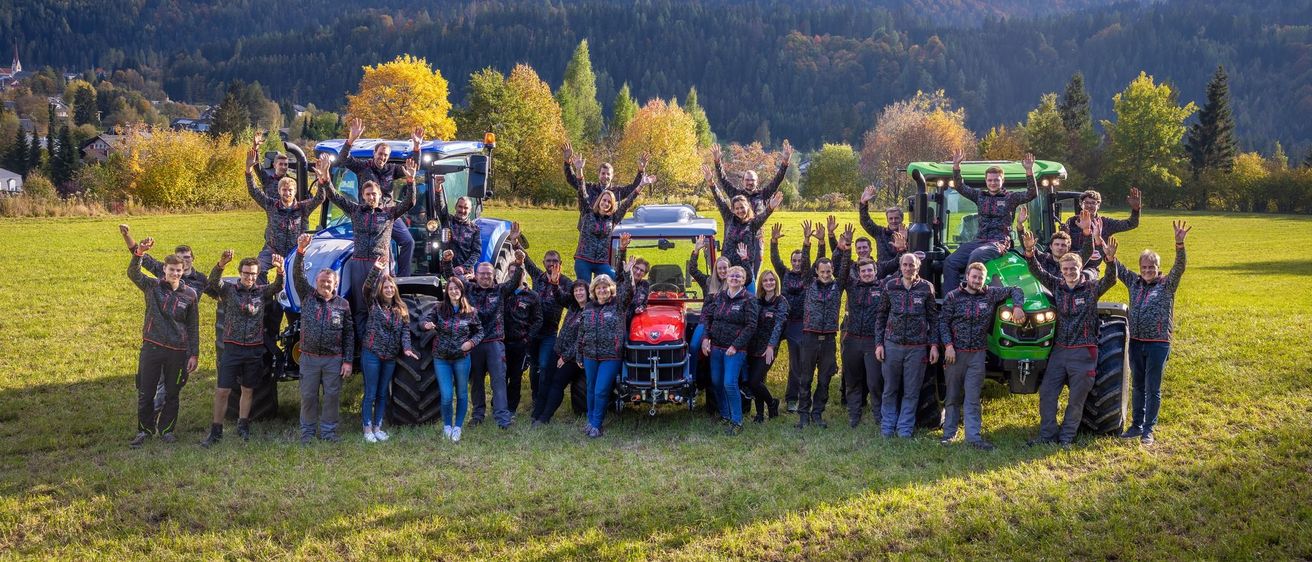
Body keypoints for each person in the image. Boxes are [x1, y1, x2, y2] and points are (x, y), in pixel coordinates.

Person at [1021, 221, 1119, 447]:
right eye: (1065, 269)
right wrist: (1030, 252)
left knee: (1076, 400)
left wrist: (1110, 260)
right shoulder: (1058, 285)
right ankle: (1047, 436)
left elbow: (1110, 279)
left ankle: (1066, 438)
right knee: (1047, 393)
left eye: (1072, 269)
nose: (1068, 272)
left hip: (1084, 351)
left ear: (1080, 268)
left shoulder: (1092, 288)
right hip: (1060, 351)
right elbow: (1037, 271)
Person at [321, 157, 417, 343]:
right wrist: (325, 178)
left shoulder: (389, 213)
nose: (371, 197)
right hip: (359, 264)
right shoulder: (356, 211)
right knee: (360, 307)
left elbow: (409, 202)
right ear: (363, 196)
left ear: (380, 195)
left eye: (374, 194)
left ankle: (383, 341)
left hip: (380, 264)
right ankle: (364, 344)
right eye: (368, 194)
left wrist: (411, 181)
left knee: (382, 304)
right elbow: (334, 196)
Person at [119, 226, 209, 420]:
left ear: (192, 259)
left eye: (187, 258)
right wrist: (127, 236)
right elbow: (138, 256)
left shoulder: (200, 280)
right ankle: (150, 416)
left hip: (182, 336)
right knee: (157, 381)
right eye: (179, 258)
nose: (183, 261)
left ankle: (158, 414)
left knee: (176, 383)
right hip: (158, 336)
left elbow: (219, 291)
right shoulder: (163, 273)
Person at [1115, 221, 1190, 445]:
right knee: (1137, 386)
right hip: (1136, 342)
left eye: (1151, 267)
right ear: (1140, 268)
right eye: (1144, 267)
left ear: (1158, 268)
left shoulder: (1167, 284)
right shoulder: (1134, 282)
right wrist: (1101, 244)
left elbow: (1180, 267)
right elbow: (1117, 267)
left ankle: (1149, 429)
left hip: (1158, 343)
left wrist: (1179, 244)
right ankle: (1136, 425)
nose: (1147, 270)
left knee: (1152, 388)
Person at [200, 251, 284, 448]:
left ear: (257, 274)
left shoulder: (262, 292)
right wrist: (221, 264)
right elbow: (214, 282)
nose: (249, 277)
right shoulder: (229, 291)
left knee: (248, 390)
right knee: (222, 390)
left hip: (254, 350)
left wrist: (280, 269)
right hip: (232, 348)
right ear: (240, 273)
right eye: (246, 273)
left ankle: (243, 425)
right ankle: (216, 430)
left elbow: (278, 286)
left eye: (253, 274)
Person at [938, 262, 1024, 450]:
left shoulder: (990, 294)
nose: (977, 281)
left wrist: (1018, 307)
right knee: (952, 396)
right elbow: (943, 322)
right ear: (967, 276)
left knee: (972, 397)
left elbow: (1016, 289)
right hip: (955, 354)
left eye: (980, 278)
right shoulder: (953, 296)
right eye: (974, 277)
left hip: (977, 355)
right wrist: (948, 346)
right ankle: (949, 434)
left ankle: (973, 438)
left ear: (985, 280)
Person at [126, 238, 200, 448]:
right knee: (146, 392)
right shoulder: (152, 286)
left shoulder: (190, 295)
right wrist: (139, 254)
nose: (175, 273)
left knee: (172, 394)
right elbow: (133, 273)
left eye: (178, 270)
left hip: (178, 351)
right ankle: (145, 430)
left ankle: (167, 430)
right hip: (152, 347)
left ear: (183, 271)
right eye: (171, 270)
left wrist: (194, 354)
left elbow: (193, 326)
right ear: (164, 270)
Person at [453, 235, 526, 429]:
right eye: (482, 273)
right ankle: (477, 415)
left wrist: (519, 263)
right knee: (476, 381)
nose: (485, 277)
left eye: (489, 274)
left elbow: (515, 281)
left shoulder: (501, 290)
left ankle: (502, 418)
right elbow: (452, 279)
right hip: (475, 343)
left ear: (493, 275)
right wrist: (447, 262)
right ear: (476, 275)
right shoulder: (469, 290)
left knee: (498, 381)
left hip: (494, 343)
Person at [334, 118, 423, 276]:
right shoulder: (362, 167)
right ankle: (386, 275)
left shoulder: (392, 169)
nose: (382, 157)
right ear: (374, 153)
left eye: (385, 155)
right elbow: (342, 159)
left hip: (388, 214)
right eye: (380, 154)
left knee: (408, 241)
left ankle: (403, 278)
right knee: (380, 246)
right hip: (367, 213)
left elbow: (412, 168)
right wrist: (350, 140)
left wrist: (416, 148)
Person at [942, 151, 1039, 291]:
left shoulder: (1011, 198)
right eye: (990, 180)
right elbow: (960, 187)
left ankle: (966, 292)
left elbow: (1032, 193)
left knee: (977, 255)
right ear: (986, 181)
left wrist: (1029, 171)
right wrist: (956, 166)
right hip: (979, 240)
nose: (993, 183)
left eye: (996, 180)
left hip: (998, 242)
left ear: (1002, 180)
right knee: (950, 261)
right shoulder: (979, 196)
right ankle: (950, 298)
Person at [292, 234, 355, 444]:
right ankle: (307, 433)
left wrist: (347, 361)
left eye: (329, 282)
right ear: (316, 282)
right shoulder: (307, 297)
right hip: (309, 358)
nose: (325, 285)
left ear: (335, 284)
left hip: (333, 359)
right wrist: (301, 251)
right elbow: (297, 275)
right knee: (308, 396)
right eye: (321, 281)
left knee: (332, 397)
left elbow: (348, 334)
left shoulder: (343, 305)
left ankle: (328, 432)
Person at [876, 253, 940, 438]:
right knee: (890, 389)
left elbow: (933, 319)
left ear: (917, 267)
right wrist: (879, 344)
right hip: (892, 345)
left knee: (911, 391)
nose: (908, 268)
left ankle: (905, 428)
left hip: (917, 347)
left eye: (911, 265)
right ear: (900, 266)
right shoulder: (890, 286)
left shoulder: (926, 288)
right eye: (904, 265)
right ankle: (887, 427)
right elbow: (881, 316)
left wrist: (934, 345)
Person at [795, 222, 852, 429]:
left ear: (832, 270)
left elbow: (845, 268)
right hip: (810, 337)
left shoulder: (838, 285)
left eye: (828, 271)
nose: (826, 274)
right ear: (817, 272)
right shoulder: (809, 283)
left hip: (828, 338)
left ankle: (817, 412)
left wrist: (847, 247)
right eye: (822, 271)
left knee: (825, 378)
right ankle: (803, 414)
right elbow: (804, 264)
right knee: (805, 378)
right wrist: (807, 242)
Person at [359, 256, 420, 443]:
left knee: (382, 393)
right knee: (371, 393)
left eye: (391, 287)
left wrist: (407, 348)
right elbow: (366, 288)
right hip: (372, 354)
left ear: (395, 290)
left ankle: (378, 427)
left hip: (390, 357)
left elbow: (405, 332)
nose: (389, 289)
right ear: (381, 289)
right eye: (386, 287)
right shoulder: (374, 304)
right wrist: (376, 269)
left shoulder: (401, 308)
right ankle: (367, 428)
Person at [521, 248, 581, 419]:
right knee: (534, 366)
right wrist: (516, 243)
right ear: (543, 263)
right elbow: (526, 261)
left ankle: (544, 396)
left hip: (550, 332)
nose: (551, 263)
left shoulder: (567, 283)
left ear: (560, 263)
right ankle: (536, 397)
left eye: (555, 261)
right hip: (533, 331)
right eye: (548, 260)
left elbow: (573, 301)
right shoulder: (537, 276)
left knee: (545, 365)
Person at [769, 221, 823, 413]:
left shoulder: (809, 276)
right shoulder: (785, 273)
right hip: (783, 321)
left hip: (800, 324)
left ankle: (794, 398)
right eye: (795, 260)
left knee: (797, 362)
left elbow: (819, 260)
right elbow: (775, 260)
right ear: (791, 261)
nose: (798, 263)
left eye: (800, 260)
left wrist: (815, 241)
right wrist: (773, 242)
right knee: (766, 353)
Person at [422, 275, 483, 442]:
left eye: (456, 288)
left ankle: (458, 427)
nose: (454, 291)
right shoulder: (439, 308)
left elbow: (480, 332)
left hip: (461, 359)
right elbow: (425, 321)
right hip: (441, 359)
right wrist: (426, 325)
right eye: (451, 289)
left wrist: (470, 343)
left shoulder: (470, 312)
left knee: (462, 393)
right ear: (447, 292)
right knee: (447, 395)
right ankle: (447, 426)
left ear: (461, 290)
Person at [700, 265, 759, 434]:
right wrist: (705, 338)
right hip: (716, 347)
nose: (734, 278)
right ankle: (725, 414)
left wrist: (736, 345)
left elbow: (751, 325)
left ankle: (737, 421)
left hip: (734, 350)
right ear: (726, 278)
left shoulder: (749, 299)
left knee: (729, 383)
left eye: (738, 276)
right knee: (717, 382)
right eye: (732, 275)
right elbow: (708, 318)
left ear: (744, 280)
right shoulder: (719, 296)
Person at [246, 160, 324, 283]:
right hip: (272, 250)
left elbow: (320, 198)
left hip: (296, 251)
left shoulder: (303, 208)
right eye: (284, 190)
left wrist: (321, 180)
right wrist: (248, 171)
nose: (287, 193)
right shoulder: (271, 205)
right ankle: (265, 294)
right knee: (258, 269)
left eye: (290, 190)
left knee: (306, 274)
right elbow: (254, 192)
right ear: (279, 191)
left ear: (295, 192)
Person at [707, 166, 783, 291]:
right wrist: (711, 183)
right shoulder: (728, 218)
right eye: (737, 208)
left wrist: (770, 207)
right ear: (733, 209)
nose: (740, 211)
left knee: (751, 298)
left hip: (746, 273)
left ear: (747, 207)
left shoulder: (753, 224)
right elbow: (719, 200)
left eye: (742, 207)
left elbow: (764, 215)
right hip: (729, 272)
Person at [576, 274, 632, 438]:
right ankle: (590, 420)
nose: (602, 290)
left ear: (611, 289)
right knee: (591, 389)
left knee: (601, 390)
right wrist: (579, 354)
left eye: (605, 287)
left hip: (611, 356)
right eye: (599, 288)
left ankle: (596, 424)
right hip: (589, 355)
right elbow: (581, 332)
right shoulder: (588, 307)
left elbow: (628, 291)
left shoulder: (618, 305)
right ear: (594, 290)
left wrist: (626, 274)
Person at [572, 170, 647, 282]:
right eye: (604, 200)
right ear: (599, 200)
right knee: (585, 287)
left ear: (612, 205)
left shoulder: (613, 218)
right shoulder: (587, 212)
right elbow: (582, 192)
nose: (606, 203)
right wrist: (579, 170)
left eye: (609, 202)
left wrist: (641, 185)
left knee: (614, 280)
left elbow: (627, 203)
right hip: (583, 259)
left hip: (602, 262)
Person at [838, 252, 886, 429]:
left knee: (875, 381)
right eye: (863, 271)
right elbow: (841, 272)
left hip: (872, 341)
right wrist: (845, 250)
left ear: (875, 271)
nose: (867, 273)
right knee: (852, 380)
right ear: (858, 273)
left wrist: (900, 252)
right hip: (851, 339)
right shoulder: (852, 286)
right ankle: (854, 415)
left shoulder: (883, 287)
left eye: (869, 270)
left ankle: (879, 415)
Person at [534, 280, 591, 426]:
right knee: (545, 380)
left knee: (557, 383)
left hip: (573, 358)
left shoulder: (590, 312)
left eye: (581, 290)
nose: (578, 293)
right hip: (558, 351)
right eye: (576, 290)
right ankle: (537, 413)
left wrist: (565, 357)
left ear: (588, 292)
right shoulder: (573, 308)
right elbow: (559, 296)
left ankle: (545, 417)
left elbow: (582, 340)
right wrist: (554, 284)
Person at [687, 237, 733, 416]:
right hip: (706, 322)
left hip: (724, 325)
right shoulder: (708, 282)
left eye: (725, 268)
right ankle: (691, 382)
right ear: (715, 269)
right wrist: (696, 251)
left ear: (729, 269)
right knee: (693, 346)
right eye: (720, 268)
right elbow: (692, 270)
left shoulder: (734, 285)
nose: (722, 271)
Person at [1065, 187, 1142, 275]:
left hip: (1091, 268)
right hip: (1072, 263)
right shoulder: (1072, 222)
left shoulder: (1106, 223)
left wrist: (1136, 210)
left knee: (1086, 276)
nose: (1089, 206)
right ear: (1081, 204)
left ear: (1098, 205)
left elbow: (1131, 224)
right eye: (1086, 202)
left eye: (1093, 203)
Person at [745, 269, 787, 423]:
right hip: (753, 346)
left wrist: (771, 346)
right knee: (758, 381)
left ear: (776, 282)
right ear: (761, 284)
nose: (769, 283)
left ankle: (772, 403)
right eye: (765, 280)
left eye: (771, 280)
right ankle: (760, 414)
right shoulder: (756, 301)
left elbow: (779, 325)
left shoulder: (781, 301)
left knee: (754, 381)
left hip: (768, 347)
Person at [710, 141, 792, 215]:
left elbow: (777, 180)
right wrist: (717, 162)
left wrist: (785, 163)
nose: (750, 182)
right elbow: (723, 179)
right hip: (737, 227)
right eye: (747, 180)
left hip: (758, 227)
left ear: (757, 181)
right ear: (742, 181)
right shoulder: (735, 194)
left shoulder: (764, 195)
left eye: (752, 180)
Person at [503, 274, 543, 415]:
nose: (513, 275)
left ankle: (511, 408)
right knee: (502, 376)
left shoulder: (532, 296)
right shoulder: (504, 293)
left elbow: (538, 320)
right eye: (511, 272)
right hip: (502, 343)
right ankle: (499, 404)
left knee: (516, 377)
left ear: (523, 274)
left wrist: (528, 338)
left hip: (521, 343)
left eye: (517, 272)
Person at [563, 141, 649, 205]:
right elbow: (572, 180)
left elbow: (634, 187)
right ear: (599, 174)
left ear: (612, 176)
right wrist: (567, 162)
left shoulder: (618, 191)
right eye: (603, 173)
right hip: (589, 224)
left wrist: (641, 170)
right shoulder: (589, 188)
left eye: (608, 174)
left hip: (609, 224)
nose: (605, 176)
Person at [435, 183, 482, 278]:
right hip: (446, 268)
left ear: (470, 210)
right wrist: (438, 189)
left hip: (464, 273)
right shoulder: (447, 221)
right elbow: (440, 206)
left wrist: (464, 268)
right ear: (455, 207)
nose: (462, 210)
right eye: (460, 207)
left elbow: (476, 252)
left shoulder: (474, 229)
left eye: (466, 208)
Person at [857, 184, 907, 264]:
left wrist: (905, 241)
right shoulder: (880, 232)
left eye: (896, 218)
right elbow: (865, 221)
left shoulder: (909, 234)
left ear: (902, 218)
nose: (893, 221)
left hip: (902, 269)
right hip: (882, 269)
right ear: (887, 219)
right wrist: (863, 203)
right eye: (891, 218)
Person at [615, 233, 652, 316]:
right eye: (636, 268)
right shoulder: (622, 278)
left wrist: (641, 308)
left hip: (634, 319)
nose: (638, 272)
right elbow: (621, 264)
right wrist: (623, 249)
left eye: (642, 270)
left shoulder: (645, 285)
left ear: (644, 274)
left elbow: (644, 303)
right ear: (631, 267)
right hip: (619, 318)